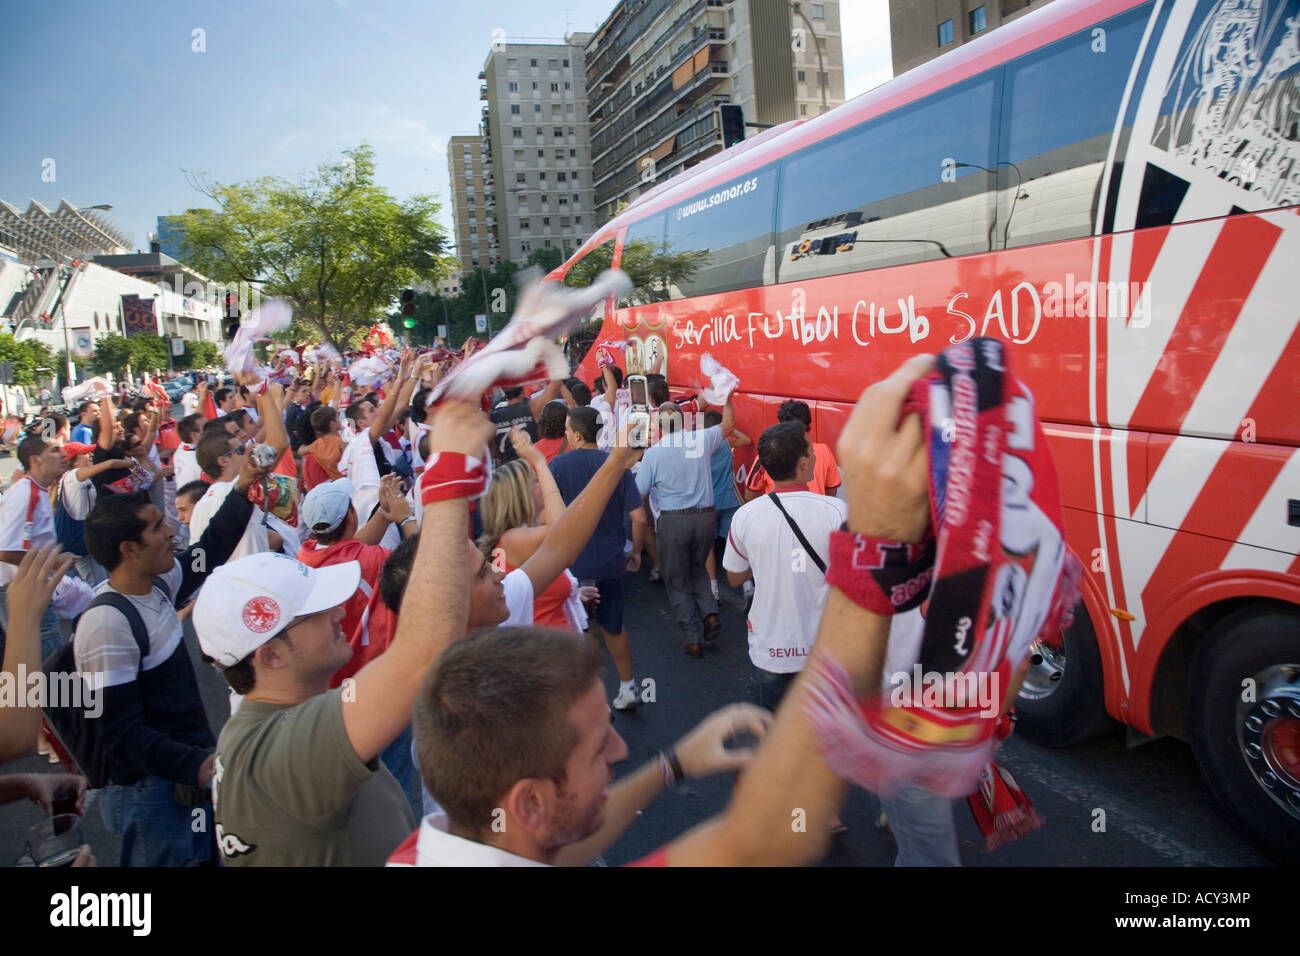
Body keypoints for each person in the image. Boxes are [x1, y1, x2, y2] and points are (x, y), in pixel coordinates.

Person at [391, 354, 940, 867]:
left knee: (685, 593)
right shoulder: (809, 498)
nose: (621, 747)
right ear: (529, 801)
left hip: (739, 609)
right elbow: (744, 837)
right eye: (594, 746)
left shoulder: (468, 832)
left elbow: (557, 546)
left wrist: (670, 766)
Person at [194, 401, 490, 866]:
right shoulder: (286, 747)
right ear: (269, 656)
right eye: (314, 612)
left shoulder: (278, 724)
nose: (336, 611)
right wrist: (450, 472)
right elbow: (427, 647)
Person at [76, 450, 267, 867]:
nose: (172, 532)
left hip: (185, 779)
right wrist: (197, 765)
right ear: (128, 549)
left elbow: (208, 550)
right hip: (152, 798)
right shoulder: (106, 623)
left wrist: (242, 485)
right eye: (158, 527)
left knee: (202, 857)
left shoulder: (158, 582)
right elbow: (122, 735)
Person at [296, 474, 420, 802]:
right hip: (380, 686)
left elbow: (352, 544)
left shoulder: (304, 560)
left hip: (331, 696)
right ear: (351, 514)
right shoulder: (375, 560)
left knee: (354, 786)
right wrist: (405, 516)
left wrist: (382, 510)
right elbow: (424, 560)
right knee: (398, 783)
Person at [723, 421, 847, 709]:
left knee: (771, 743)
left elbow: (733, 577)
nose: (816, 455)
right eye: (811, 452)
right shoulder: (838, 513)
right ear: (804, 464)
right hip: (826, 654)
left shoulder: (745, 516)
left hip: (770, 651)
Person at [549, 405, 645, 711]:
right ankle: (629, 687)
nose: (565, 434)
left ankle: (587, 702)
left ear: (576, 435)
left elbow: (549, 518)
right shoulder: (615, 464)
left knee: (578, 631)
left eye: (566, 430)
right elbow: (639, 517)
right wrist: (638, 552)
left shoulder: (558, 467)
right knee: (613, 626)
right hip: (611, 561)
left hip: (572, 564)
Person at [634, 397, 734, 657]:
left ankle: (692, 638)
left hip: (674, 520)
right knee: (699, 569)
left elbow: (640, 494)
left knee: (677, 579)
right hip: (705, 517)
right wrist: (729, 398)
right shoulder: (700, 439)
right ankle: (710, 615)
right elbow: (729, 424)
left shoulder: (654, 453)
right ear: (683, 422)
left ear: (660, 425)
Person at [476, 429, 577, 631]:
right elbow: (564, 530)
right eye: (537, 480)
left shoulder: (512, 536)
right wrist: (539, 462)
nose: (545, 485)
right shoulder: (513, 539)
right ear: (522, 495)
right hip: (545, 652)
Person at [189, 384, 290, 559]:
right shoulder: (240, 489)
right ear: (223, 460)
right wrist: (266, 392)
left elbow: (198, 561)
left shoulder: (199, 508)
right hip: (254, 581)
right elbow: (279, 443)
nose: (243, 439)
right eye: (240, 451)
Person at [0, 434, 69, 663]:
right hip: (20, 589)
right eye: (55, 450)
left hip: (27, 586)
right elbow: (6, 550)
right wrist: (54, 561)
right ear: (36, 460)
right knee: (45, 656)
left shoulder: (36, 490)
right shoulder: (25, 494)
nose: (64, 454)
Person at [56, 442, 131, 586]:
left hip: (82, 539)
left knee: (93, 583)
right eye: (85, 453)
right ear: (73, 460)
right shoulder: (73, 475)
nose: (90, 455)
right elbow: (108, 464)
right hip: (80, 541)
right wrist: (130, 464)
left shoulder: (73, 478)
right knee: (97, 584)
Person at [744, 399, 841, 500]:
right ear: (808, 425)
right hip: (816, 513)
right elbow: (831, 491)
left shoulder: (768, 452)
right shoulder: (824, 451)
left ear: (781, 425)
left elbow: (750, 495)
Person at [702, 407, 749, 604]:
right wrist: (728, 428)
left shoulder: (701, 447)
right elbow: (747, 440)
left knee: (709, 546)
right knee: (737, 543)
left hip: (708, 502)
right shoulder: (727, 441)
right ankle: (747, 585)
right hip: (729, 500)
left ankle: (713, 588)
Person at [489, 386, 539, 463]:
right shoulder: (531, 407)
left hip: (507, 467)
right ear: (522, 392)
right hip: (531, 463)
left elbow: (492, 446)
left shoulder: (495, 413)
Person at [301, 405, 343, 492]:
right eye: (337, 417)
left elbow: (301, 451)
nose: (340, 420)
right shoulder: (341, 443)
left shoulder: (317, 445)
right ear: (332, 423)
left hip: (338, 485)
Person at [173, 413, 205, 487]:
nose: (212, 429)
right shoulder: (197, 463)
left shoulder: (184, 447)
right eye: (206, 428)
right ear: (194, 435)